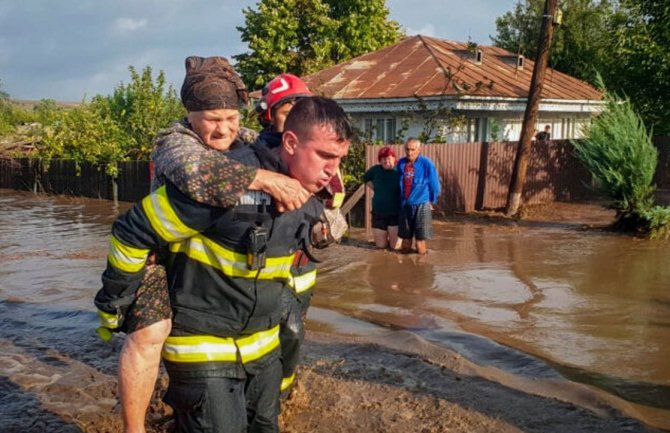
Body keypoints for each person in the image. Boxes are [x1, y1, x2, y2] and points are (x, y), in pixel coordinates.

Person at [95, 96, 353, 433]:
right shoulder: (223, 184)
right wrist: (115, 302)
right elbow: (132, 231)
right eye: (325, 156)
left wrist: (323, 230)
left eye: (340, 159)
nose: (333, 171)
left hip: (261, 348)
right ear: (290, 142)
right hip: (202, 346)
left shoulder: (311, 192)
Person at [397, 138, 441, 255]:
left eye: (412, 149)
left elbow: (435, 184)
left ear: (419, 150)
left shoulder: (426, 163)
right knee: (405, 240)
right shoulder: (401, 163)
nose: (409, 152)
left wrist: (432, 200)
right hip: (405, 205)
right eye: (407, 149)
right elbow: (397, 184)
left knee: (420, 242)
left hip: (421, 204)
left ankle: (421, 269)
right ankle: (404, 266)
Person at [363, 146, 401, 249]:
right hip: (378, 213)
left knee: (395, 248)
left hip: (396, 214)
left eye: (388, 158)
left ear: (394, 158)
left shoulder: (400, 169)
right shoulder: (375, 170)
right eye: (383, 158)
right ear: (380, 160)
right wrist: (376, 188)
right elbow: (365, 178)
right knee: (380, 247)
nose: (386, 160)